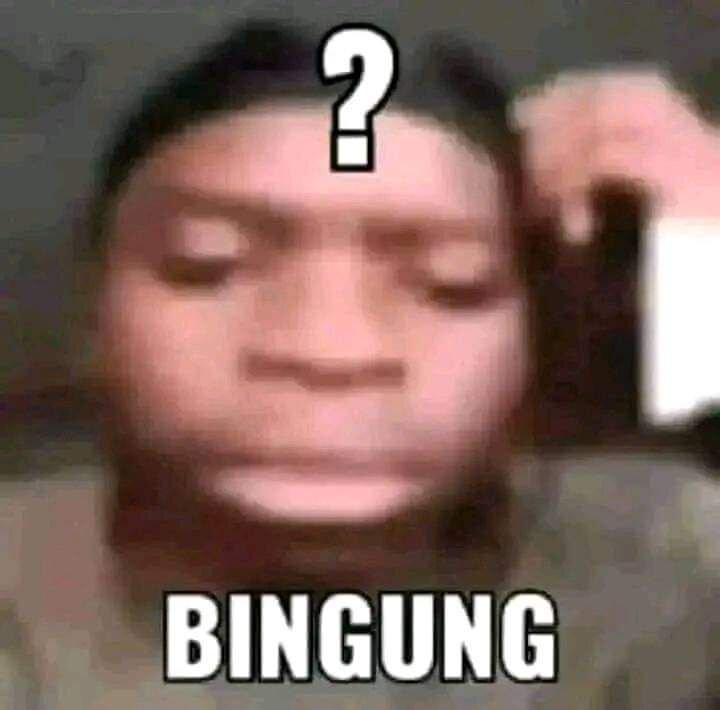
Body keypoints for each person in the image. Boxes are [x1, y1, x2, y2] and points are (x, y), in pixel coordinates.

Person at [1, 20, 719, 709]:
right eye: (207, 264)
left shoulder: (664, 551)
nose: (329, 350)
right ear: (92, 309)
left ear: (535, 331)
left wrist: (708, 267)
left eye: (451, 283)